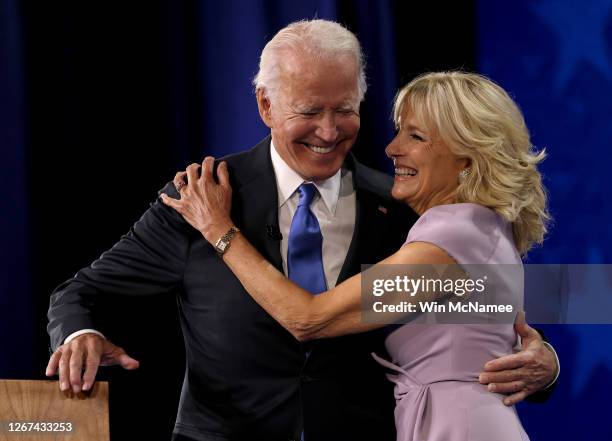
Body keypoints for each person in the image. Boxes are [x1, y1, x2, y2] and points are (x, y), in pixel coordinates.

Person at [46, 20, 558, 441]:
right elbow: (80, 290)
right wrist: (78, 333)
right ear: (267, 106)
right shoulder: (201, 197)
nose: (330, 131)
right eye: (310, 111)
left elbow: (493, 305)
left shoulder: (407, 206)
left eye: (344, 110)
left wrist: (545, 361)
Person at [162, 71, 552, 440]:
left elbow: (308, 318)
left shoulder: (454, 233)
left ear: (467, 157)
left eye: (415, 136)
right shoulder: (481, 227)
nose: (392, 148)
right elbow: (487, 325)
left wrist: (218, 228)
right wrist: (543, 357)